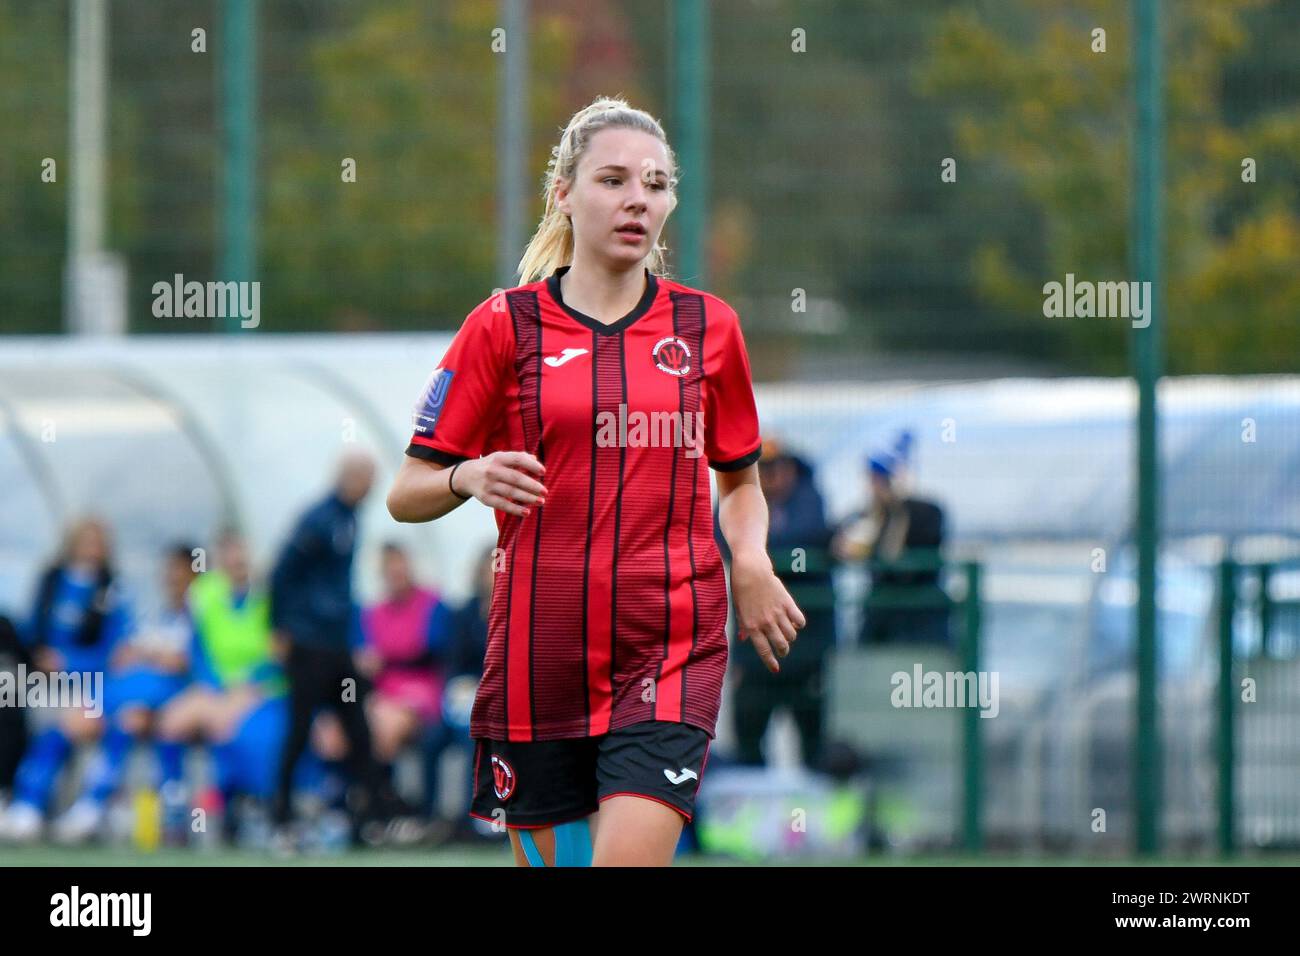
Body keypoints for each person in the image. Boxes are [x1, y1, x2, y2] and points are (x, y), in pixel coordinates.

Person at [386, 96, 805, 867]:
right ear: (564, 195)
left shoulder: (708, 328)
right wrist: (469, 475)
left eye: (655, 184)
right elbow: (406, 492)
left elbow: (740, 481)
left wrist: (749, 560)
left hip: (669, 651)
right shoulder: (502, 325)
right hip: (537, 662)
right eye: (613, 180)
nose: (637, 199)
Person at [269, 451, 392, 841]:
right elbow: (282, 573)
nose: (371, 488)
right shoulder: (318, 519)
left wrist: (356, 640)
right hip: (309, 645)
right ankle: (281, 815)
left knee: (358, 727)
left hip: (337, 647)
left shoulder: (351, 519)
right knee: (299, 730)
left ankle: (369, 816)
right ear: (349, 478)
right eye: (367, 479)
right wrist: (279, 628)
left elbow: (342, 588)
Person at [50, 543, 198, 844]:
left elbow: (191, 664)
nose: (172, 578)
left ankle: (103, 804)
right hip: (125, 695)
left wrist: (161, 659)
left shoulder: (200, 618)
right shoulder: (149, 616)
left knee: (132, 719)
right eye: (169, 570)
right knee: (73, 720)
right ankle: (28, 804)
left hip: (167, 702)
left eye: (180, 571)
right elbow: (116, 656)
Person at [0, 518, 132, 844]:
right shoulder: (51, 582)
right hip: (42, 680)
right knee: (8, 699)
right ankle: (17, 800)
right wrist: (38, 659)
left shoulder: (112, 590)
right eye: (85, 541)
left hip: (92, 683)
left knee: (76, 722)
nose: (91, 549)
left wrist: (69, 664)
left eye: (97, 542)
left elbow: (116, 651)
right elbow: (32, 632)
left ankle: (75, 806)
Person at [719, 438, 836, 770]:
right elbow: (722, 536)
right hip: (755, 650)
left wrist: (754, 555)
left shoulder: (809, 500)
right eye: (762, 469)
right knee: (748, 744)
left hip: (805, 645)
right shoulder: (740, 498)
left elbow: (806, 539)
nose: (769, 476)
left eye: (775, 467)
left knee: (813, 744)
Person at [832, 432, 952, 647]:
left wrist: (896, 507)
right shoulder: (867, 516)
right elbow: (835, 542)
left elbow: (914, 542)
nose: (876, 485)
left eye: (881, 478)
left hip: (923, 623)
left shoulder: (926, 513)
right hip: (881, 622)